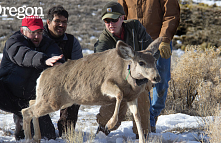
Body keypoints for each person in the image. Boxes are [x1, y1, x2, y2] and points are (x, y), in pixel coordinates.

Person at [0, 15, 65, 140]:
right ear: (22, 30)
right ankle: (20, 121)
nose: (36, 36)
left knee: (48, 137)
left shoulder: (47, 43)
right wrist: (44, 60)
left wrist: (58, 64)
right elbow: (23, 55)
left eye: (39, 32)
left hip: (31, 102)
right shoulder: (14, 42)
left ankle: (21, 124)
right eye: (32, 32)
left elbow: (57, 56)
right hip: (8, 95)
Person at [118, 0, 180, 132]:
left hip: (158, 42)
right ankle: (147, 120)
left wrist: (165, 39)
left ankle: (154, 113)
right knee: (140, 83)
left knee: (161, 81)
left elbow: (171, 14)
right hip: (136, 44)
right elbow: (121, 16)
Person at [94, 2, 153, 138]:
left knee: (142, 96)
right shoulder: (103, 43)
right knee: (112, 109)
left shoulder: (135, 27)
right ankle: (103, 128)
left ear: (122, 18)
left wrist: (147, 75)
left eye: (114, 20)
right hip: (116, 81)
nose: (110, 24)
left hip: (139, 76)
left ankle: (143, 134)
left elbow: (150, 51)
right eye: (107, 20)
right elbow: (102, 72)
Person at [43, 5, 83, 137]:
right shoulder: (38, 38)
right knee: (46, 134)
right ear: (48, 22)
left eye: (64, 22)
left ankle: (66, 129)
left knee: (77, 90)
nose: (61, 25)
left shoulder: (72, 42)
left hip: (64, 84)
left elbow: (78, 69)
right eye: (57, 21)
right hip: (38, 85)